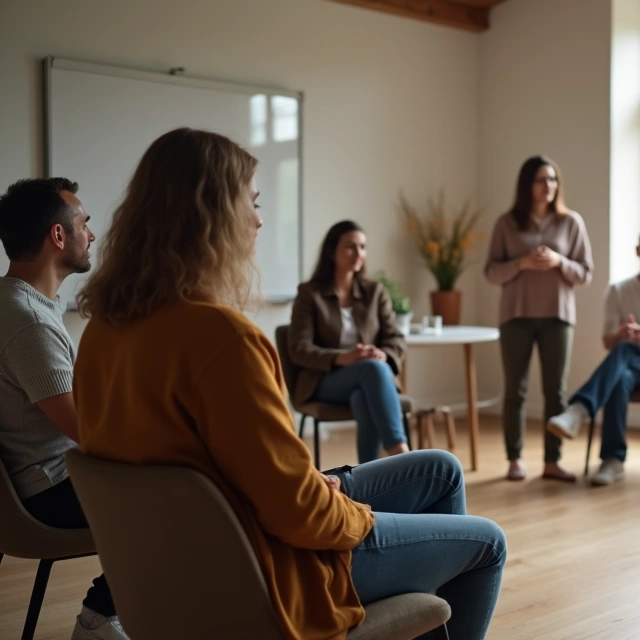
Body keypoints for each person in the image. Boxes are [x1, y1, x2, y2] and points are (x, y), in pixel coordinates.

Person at [72, 128, 506, 640]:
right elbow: (299, 515)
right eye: (252, 203)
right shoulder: (222, 339)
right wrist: (359, 514)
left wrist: (314, 485)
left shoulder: (104, 331)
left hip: (193, 557)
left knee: (441, 470)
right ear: (212, 213)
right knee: (488, 542)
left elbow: (215, 464)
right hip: (272, 568)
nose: (259, 219)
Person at [0, 178, 126, 640]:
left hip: (35, 479)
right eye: (84, 224)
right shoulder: (29, 320)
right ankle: (99, 618)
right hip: (48, 490)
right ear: (58, 235)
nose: (91, 234)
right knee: (181, 492)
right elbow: (87, 429)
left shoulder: (17, 302)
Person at [546, 222, 640, 485]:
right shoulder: (618, 290)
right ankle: (613, 462)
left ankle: (579, 411)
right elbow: (608, 342)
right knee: (621, 375)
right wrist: (622, 333)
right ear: (638, 250)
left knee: (623, 355)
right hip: (627, 364)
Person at [484, 155, 593, 482]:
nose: (548, 186)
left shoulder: (571, 222)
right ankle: (514, 458)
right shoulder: (506, 223)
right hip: (515, 316)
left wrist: (559, 261)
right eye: (541, 180)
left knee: (555, 391)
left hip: (557, 317)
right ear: (527, 185)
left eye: (553, 179)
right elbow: (491, 272)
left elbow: (585, 273)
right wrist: (521, 264)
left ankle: (552, 461)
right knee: (515, 391)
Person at [289, 220, 409, 464]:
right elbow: (299, 349)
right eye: (350, 247)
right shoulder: (310, 293)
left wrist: (384, 354)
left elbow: (395, 338)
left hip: (368, 379)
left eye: (362, 247)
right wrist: (341, 358)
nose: (358, 253)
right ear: (331, 252)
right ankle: (401, 456)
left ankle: (369, 477)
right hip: (325, 380)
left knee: (362, 395)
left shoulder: (375, 292)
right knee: (372, 370)